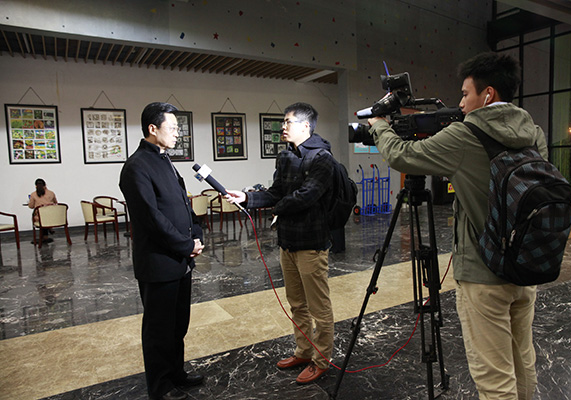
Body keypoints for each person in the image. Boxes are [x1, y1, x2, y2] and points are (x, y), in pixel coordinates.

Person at [368, 52, 546, 399]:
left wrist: (379, 126)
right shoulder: (533, 132)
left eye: (465, 94)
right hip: (526, 267)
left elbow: (402, 156)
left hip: (484, 275)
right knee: (522, 360)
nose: (461, 103)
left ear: (488, 94)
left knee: (494, 378)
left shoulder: (465, 136)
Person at [226, 102, 335, 384]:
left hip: (311, 243)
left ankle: (321, 359)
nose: (282, 127)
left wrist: (277, 208)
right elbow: (276, 192)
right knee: (297, 303)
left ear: (305, 126)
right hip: (288, 241)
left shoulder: (323, 158)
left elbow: (307, 196)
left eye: (288, 122)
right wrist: (247, 198)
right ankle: (304, 351)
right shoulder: (285, 156)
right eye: (283, 122)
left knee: (318, 308)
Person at [119, 102, 205, 400]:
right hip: (158, 263)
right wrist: (185, 244)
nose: (178, 133)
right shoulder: (136, 166)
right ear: (152, 128)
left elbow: (182, 203)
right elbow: (151, 218)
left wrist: (196, 233)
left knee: (178, 325)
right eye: (173, 128)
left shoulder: (165, 160)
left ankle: (176, 373)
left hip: (180, 259)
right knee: (158, 330)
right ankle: (160, 387)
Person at [28, 178, 58, 243]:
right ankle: (48, 232)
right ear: (45, 185)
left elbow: (31, 206)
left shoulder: (33, 195)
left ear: (36, 186)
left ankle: (44, 237)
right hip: (52, 216)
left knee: (40, 217)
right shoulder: (51, 193)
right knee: (46, 216)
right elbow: (55, 203)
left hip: (40, 217)